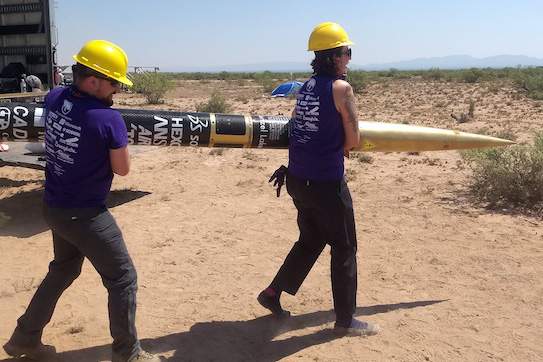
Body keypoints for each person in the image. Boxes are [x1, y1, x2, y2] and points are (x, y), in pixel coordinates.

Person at [2, 40, 161, 362]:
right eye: (115, 82)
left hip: (55, 206)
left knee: (62, 271)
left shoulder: (54, 97)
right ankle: (128, 353)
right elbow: (123, 170)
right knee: (123, 277)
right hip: (85, 214)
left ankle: (25, 338)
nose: (117, 90)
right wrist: (116, 138)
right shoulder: (107, 119)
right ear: (94, 80)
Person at [258, 22, 380, 337]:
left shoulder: (306, 86)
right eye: (346, 52)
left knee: (311, 240)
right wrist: (341, 142)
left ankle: (273, 293)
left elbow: (303, 125)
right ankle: (346, 319)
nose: (349, 59)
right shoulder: (342, 89)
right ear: (333, 56)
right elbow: (353, 139)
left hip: (298, 178)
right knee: (345, 246)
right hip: (325, 183)